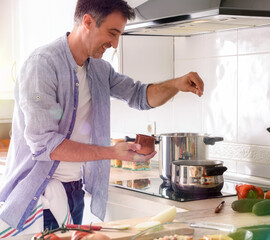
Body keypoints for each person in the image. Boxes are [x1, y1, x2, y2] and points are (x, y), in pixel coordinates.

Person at [0, 0, 204, 234]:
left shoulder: (99, 69)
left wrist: (177, 83)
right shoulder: (42, 65)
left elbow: (139, 95)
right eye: (112, 33)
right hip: (39, 197)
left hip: (73, 192)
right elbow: (45, 145)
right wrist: (110, 152)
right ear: (87, 22)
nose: (115, 43)